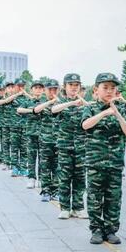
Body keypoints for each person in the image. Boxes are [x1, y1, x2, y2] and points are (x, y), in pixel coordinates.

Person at [82, 73, 126, 245]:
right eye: (105, 87)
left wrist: (117, 113)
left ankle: (110, 230)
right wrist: (104, 113)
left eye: (113, 88)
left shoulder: (121, 109)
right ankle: (96, 230)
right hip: (95, 162)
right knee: (94, 198)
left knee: (114, 198)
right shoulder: (90, 108)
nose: (110, 91)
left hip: (115, 163)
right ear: (96, 90)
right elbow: (85, 125)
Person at [52, 73, 88, 219]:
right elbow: (54, 110)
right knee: (64, 177)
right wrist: (71, 103)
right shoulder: (60, 102)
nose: (74, 88)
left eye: (76, 85)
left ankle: (78, 207)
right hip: (64, 147)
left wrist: (82, 102)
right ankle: (65, 207)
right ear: (64, 87)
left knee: (80, 177)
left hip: (81, 147)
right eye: (71, 85)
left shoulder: (84, 104)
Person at [34, 79, 60, 202]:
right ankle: (45, 191)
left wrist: (57, 102)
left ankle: (55, 191)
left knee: (57, 167)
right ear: (45, 91)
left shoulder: (62, 103)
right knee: (45, 167)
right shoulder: (41, 103)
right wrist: (50, 102)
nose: (52, 92)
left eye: (55, 89)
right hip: (45, 140)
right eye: (50, 89)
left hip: (59, 141)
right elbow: (36, 110)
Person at [17, 81, 45, 188]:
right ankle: (31, 178)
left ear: (43, 90)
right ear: (31, 90)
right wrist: (32, 111)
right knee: (31, 157)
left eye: (40, 88)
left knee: (43, 158)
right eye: (36, 88)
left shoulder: (45, 101)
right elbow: (19, 109)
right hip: (31, 133)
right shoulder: (27, 102)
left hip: (44, 134)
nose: (38, 90)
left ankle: (41, 179)